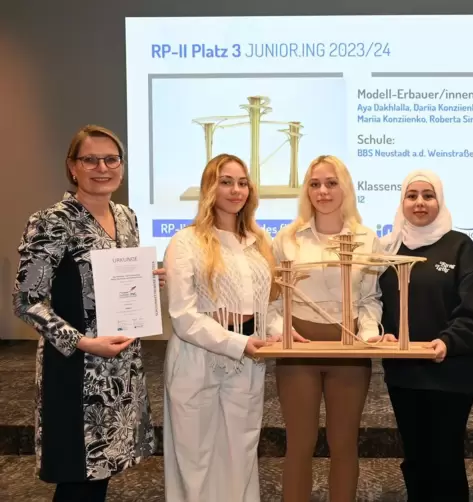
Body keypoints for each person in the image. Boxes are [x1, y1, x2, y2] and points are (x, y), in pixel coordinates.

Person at [12, 125, 164, 502]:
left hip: (121, 367)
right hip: (75, 367)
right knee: (77, 477)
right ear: (72, 167)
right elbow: (26, 299)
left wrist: (145, 282)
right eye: (90, 159)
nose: (102, 167)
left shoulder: (126, 216)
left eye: (111, 159)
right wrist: (82, 342)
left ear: (122, 166)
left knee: (101, 476)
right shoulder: (50, 221)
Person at [161, 153, 287, 501]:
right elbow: (183, 316)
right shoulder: (186, 242)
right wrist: (237, 343)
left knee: (241, 454)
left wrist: (278, 332)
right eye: (226, 181)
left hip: (248, 362)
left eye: (242, 182)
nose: (236, 190)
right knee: (196, 460)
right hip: (197, 361)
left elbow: (269, 303)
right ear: (209, 188)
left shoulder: (258, 241)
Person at [267, 154, 382, 502]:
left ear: (345, 187)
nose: (323, 191)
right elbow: (274, 301)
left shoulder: (367, 238)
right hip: (298, 348)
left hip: (348, 351)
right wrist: (280, 331)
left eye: (331, 183)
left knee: (344, 443)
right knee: (299, 443)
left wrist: (368, 336)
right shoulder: (287, 239)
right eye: (315, 184)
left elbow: (370, 298)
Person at [375, 169, 473, 501]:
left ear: (439, 200)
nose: (420, 202)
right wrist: (380, 332)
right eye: (412, 196)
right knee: (415, 458)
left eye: (428, 195)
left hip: (450, 373)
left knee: (446, 458)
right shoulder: (388, 248)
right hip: (404, 373)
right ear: (402, 202)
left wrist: (448, 342)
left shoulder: (460, 245)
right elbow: (376, 302)